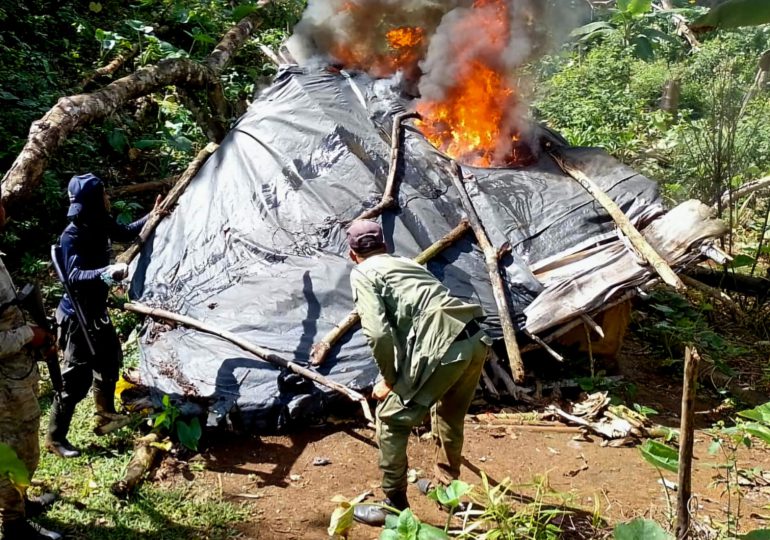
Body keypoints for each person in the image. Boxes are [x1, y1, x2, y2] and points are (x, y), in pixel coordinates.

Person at [345, 220, 491, 526]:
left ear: (352, 253)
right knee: (449, 414)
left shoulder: (363, 273)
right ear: (385, 244)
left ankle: (393, 506)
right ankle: (445, 490)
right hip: (474, 338)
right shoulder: (404, 262)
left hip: (443, 345)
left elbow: (378, 333)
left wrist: (388, 379)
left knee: (390, 420)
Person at [46, 173, 162, 458]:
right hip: (77, 319)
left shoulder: (100, 222)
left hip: (97, 312)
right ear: (95, 201)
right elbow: (73, 276)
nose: (109, 199)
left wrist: (154, 215)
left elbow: (124, 232)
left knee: (110, 361)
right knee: (75, 380)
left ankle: (105, 414)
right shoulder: (72, 235)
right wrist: (104, 273)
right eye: (105, 195)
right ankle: (55, 437)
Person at [0, 198, 62, 539]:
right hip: (2, 388)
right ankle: (14, 526)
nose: (4, 209)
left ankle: (21, 503)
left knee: (26, 447)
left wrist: (37, 342)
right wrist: (29, 334)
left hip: (16, 378)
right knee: (8, 453)